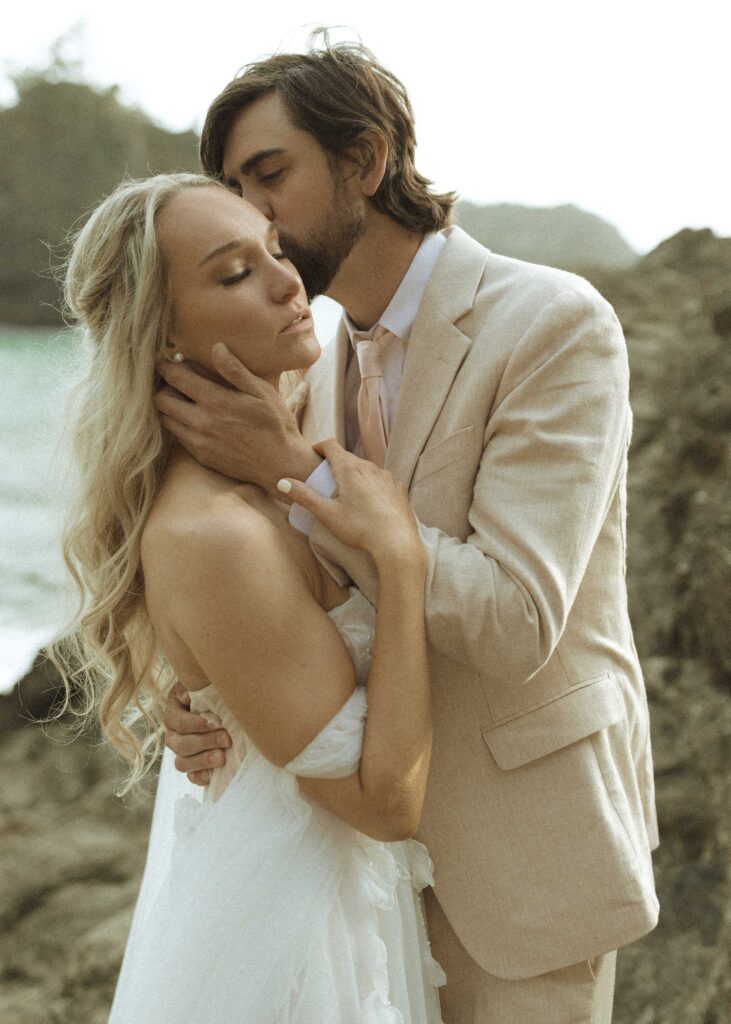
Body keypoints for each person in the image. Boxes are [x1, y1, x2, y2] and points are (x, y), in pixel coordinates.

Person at [159, 36, 660, 1023]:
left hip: (522, 858)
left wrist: (297, 473)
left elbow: (518, 619)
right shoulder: (304, 363)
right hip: (358, 864)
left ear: (366, 162)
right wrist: (216, 705)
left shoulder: (552, 325)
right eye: (230, 189)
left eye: (270, 176)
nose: (248, 215)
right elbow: (303, 599)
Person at [55, 172, 447, 1023]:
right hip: (293, 945)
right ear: (161, 338)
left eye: (274, 249)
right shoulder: (215, 535)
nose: (287, 282)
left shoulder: (290, 454)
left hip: (341, 909)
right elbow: (383, 803)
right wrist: (401, 564)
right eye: (233, 274)